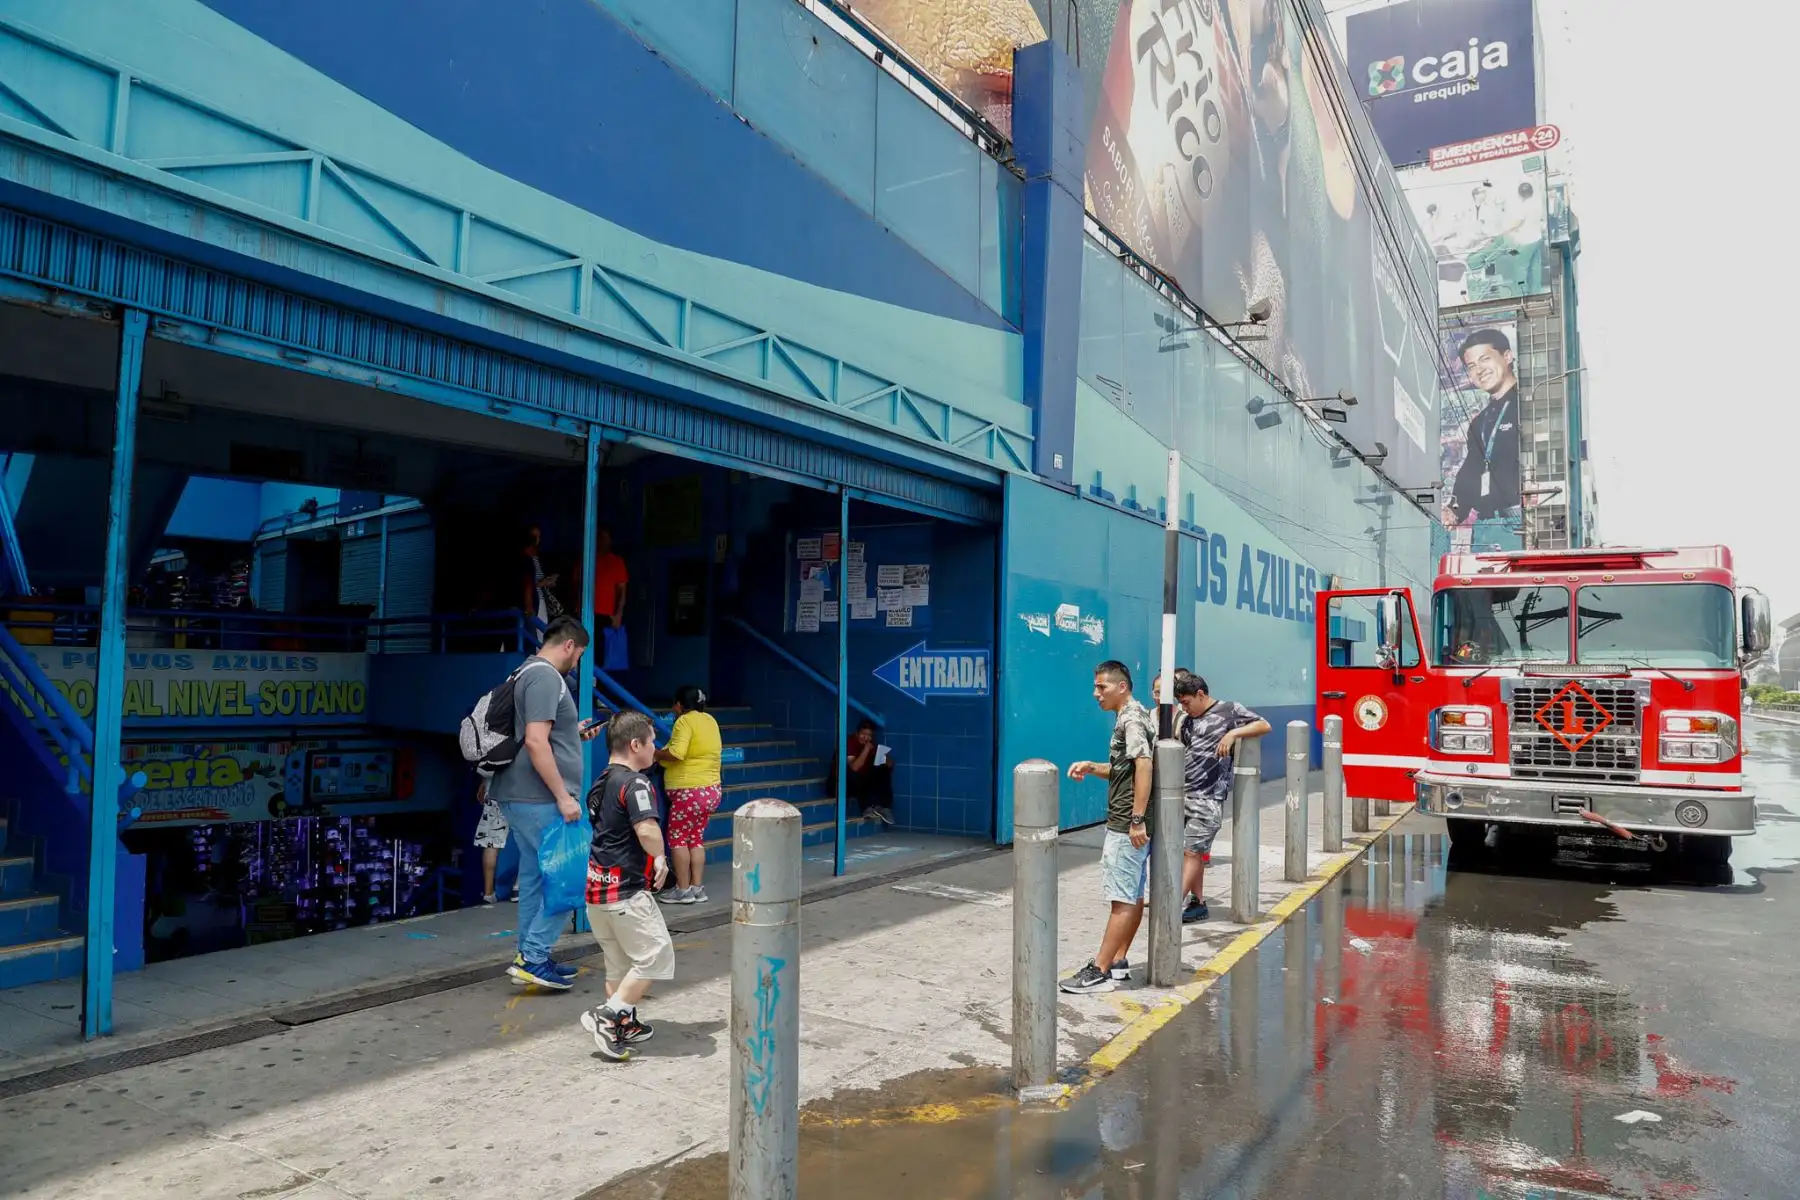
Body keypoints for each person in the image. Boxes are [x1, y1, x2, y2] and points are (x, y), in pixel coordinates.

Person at [489, 616, 601, 990]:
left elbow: (541, 737)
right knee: (572, 876)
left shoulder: (525, 672)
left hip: (523, 796)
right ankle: (534, 956)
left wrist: (575, 734)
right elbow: (536, 742)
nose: (578, 662)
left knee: (535, 879)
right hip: (540, 798)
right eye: (580, 654)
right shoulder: (545, 676)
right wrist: (563, 797)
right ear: (569, 645)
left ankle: (530, 955)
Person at [579, 710, 674, 1061]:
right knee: (655, 955)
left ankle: (624, 1022)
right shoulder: (636, 784)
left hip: (597, 894)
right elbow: (646, 829)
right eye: (651, 742)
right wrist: (661, 858)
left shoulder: (602, 782)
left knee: (619, 964)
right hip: (626, 893)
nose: (655, 749)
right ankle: (608, 1016)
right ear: (635, 745)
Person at [1061, 660, 1155, 995]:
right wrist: (1094, 767)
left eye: (1102, 687)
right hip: (1132, 820)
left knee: (1122, 898)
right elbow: (1126, 768)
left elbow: (1144, 765)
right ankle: (1117, 960)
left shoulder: (1130, 718)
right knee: (1133, 894)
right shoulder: (1135, 715)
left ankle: (1098, 971)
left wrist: (1136, 819)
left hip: (1125, 823)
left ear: (1122, 687)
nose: (1095, 693)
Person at [1172, 673, 1271, 923]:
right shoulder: (1186, 720)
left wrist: (1233, 734)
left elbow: (1263, 725)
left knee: (1193, 852)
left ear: (1201, 695)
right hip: (1184, 793)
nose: (1184, 708)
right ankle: (1198, 902)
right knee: (1189, 852)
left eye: (1186, 702)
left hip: (1208, 797)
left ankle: (1171, 906)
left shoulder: (1229, 710)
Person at [1444, 329, 1523, 531]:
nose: (1479, 370)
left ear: (1507, 356)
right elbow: (1472, 468)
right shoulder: (1480, 422)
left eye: (1485, 359)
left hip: (1526, 519)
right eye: (1471, 366)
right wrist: (1454, 510)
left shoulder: (1528, 404)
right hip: (1489, 524)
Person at [655, 684, 723, 904]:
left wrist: (655, 753)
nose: (673, 708)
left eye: (675, 703)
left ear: (681, 704)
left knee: (677, 839)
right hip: (711, 790)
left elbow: (676, 752)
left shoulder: (684, 721)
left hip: (689, 792)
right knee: (695, 839)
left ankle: (682, 890)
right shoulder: (709, 720)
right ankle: (697, 888)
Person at [841, 718, 896, 826]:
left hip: (864, 781)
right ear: (857, 733)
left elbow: (890, 764)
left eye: (869, 735)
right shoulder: (850, 742)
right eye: (863, 734)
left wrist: (884, 759)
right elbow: (855, 767)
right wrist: (866, 750)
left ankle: (885, 808)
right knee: (856, 776)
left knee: (884, 771)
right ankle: (867, 808)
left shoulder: (872, 745)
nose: (866, 738)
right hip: (846, 783)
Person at [472, 779, 512, 904]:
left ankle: (488, 894)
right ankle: (518, 887)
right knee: (524, 838)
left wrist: (484, 782)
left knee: (491, 841)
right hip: (518, 789)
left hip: (493, 788)